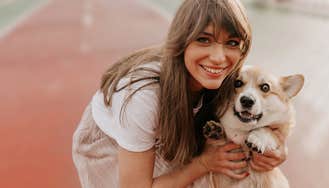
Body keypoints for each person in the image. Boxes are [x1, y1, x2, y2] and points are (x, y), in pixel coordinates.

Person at [72, 0, 287, 187]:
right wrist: (203, 164)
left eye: (231, 43)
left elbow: (268, 121)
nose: (219, 57)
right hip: (109, 144)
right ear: (181, 41)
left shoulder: (231, 77)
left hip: (171, 127)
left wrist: (276, 150)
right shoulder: (143, 99)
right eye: (204, 39)